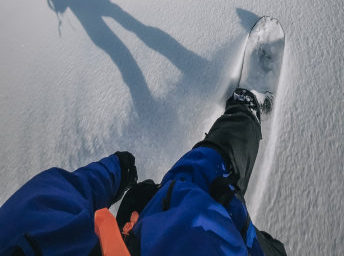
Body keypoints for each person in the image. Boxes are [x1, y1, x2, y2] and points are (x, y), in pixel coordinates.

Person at [0, 89, 287, 255]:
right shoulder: (19, 234)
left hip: (150, 233)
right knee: (199, 173)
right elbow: (57, 195)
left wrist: (118, 174)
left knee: (153, 197)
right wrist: (118, 171)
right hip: (201, 226)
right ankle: (244, 113)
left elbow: (56, 196)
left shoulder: (20, 233)